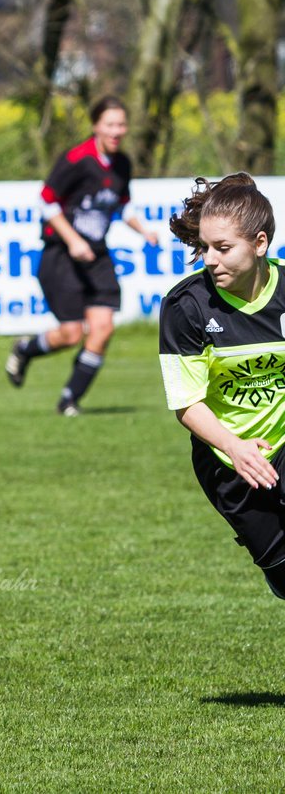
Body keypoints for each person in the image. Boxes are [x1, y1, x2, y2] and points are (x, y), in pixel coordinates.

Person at [159, 173, 285, 599]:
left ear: (260, 243)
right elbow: (186, 403)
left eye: (223, 248)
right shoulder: (186, 307)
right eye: (205, 248)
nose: (209, 260)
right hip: (228, 463)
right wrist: (236, 448)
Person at [6, 95, 159, 415]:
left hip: (97, 255)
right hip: (61, 254)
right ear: (96, 126)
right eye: (110, 124)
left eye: (121, 124)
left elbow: (122, 204)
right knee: (71, 333)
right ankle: (25, 349)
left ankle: (69, 399)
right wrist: (73, 239)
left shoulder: (122, 163)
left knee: (103, 328)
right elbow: (46, 201)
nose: (117, 131)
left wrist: (143, 230)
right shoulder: (76, 159)